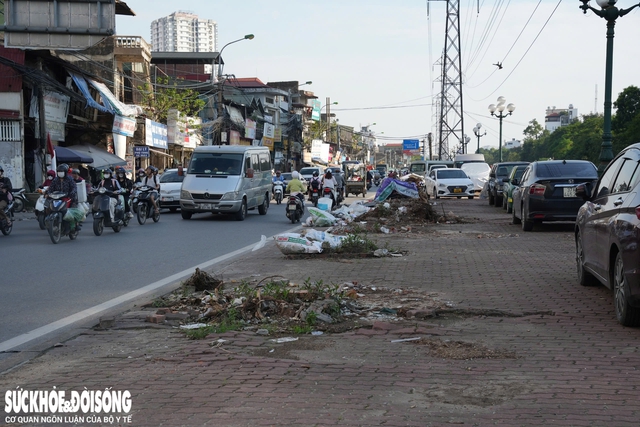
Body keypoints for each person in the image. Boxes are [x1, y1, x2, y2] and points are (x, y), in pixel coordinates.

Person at [45, 164, 79, 229]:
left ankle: (75, 225)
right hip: (57, 198)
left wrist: (71, 194)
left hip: (69, 198)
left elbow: (74, 188)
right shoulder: (55, 180)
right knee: (49, 207)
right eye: (59, 172)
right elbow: (50, 189)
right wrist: (48, 193)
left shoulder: (70, 179)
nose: (60, 173)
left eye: (62, 172)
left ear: (65, 172)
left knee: (71, 211)